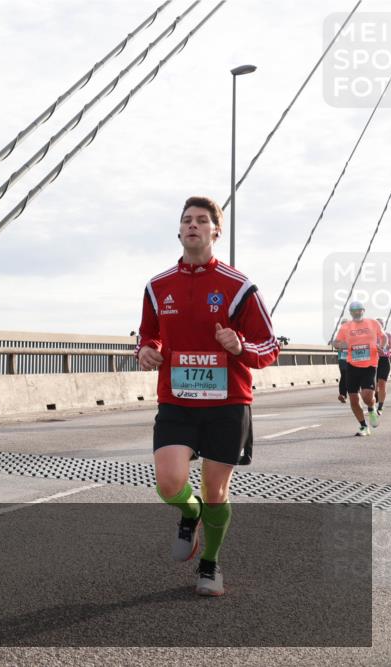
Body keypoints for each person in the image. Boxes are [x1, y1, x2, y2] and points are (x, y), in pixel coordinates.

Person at [136, 196, 280, 597]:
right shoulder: (157, 286)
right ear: (179, 230)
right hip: (178, 400)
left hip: (227, 404)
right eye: (187, 220)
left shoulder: (239, 287)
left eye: (202, 220)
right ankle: (189, 512)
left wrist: (239, 348)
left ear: (216, 231)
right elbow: (148, 336)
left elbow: (269, 347)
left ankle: (210, 564)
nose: (193, 225)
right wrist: (146, 351)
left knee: (216, 490)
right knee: (169, 483)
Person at [334, 302, 385, 435]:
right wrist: (341, 344)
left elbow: (383, 337)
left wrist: (382, 346)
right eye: (353, 311)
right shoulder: (346, 327)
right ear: (350, 312)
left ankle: (372, 408)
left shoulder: (373, 323)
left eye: (359, 310)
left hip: (370, 365)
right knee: (354, 399)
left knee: (367, 396)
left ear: (363, 311)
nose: (356, 312)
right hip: (352, 365)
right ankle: (363, 426)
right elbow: (336, 342)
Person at [332, 318, 350, 403]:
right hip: (343, 358)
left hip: (354, 359)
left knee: (351, 376)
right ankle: (343, 394)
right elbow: (335, 344)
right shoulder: (339, 335)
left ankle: (353, 393)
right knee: (344, 375)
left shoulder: (353, 334)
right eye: (343, 325)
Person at [377, 328, 390, 415]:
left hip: (384, 360)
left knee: (382, 383)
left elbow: (390, 346)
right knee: (373, 385)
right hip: (372, 361)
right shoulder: (370, 335)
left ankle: (380, 406)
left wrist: (387, 348)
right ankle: (374, 398)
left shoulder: (387, 335)